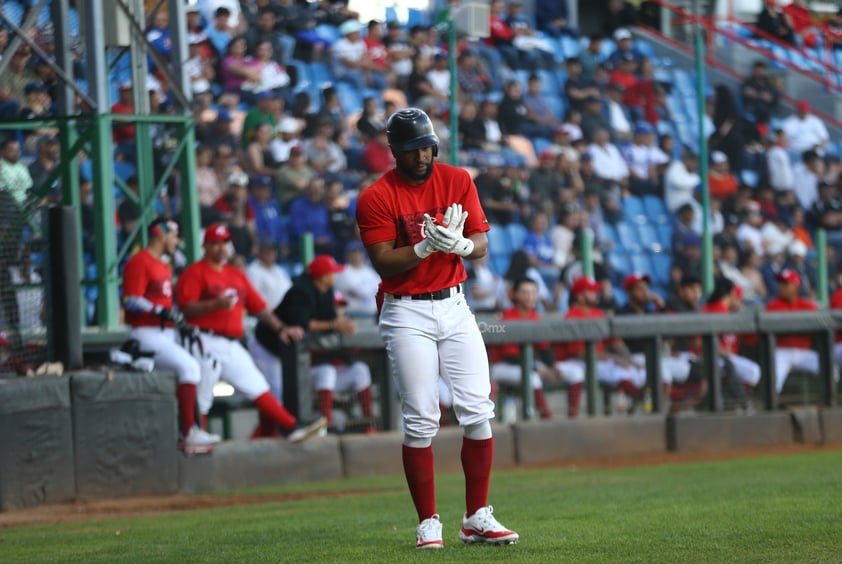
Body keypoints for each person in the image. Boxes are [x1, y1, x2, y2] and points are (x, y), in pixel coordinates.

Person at [355, 107, 519, 549]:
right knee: (422, 417)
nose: (422, 156)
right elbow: (384, 260)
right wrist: (425, 245)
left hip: (454, 302)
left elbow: (481, 243)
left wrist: (464, 245)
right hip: (405, 310)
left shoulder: (457, 179)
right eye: (412, 150)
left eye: (427, 147)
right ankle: (428, 521)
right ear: (395, 152)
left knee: (478, 409)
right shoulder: (376, 196)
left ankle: (477, 516)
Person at [175, 223, 326, 442]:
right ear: (205, 246)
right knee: (203, 395)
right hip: (204, 339)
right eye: (215, 243)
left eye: (224, 242)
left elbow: (259, 307)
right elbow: (186, 307)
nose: (220, 248)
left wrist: (281, 328)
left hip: (232, 343)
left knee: (258, 386)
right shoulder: (194, 272)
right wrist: (214, 304)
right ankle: (195, 436)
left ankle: (291, 429)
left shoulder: (235, 274)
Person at [120, 218, 221, 451]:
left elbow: (163, 303)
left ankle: (188, 430)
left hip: (165, 333)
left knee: (200, 366)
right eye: (173, 236)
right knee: (190, 368)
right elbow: (131, 300)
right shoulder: (140, 261)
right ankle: (188, 432)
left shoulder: (162, 265)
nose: (176, 241)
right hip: (145, 332)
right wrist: (161, 311)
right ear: (160, 234)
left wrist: (177, 319)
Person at [268, 254, 376, 433]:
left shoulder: (326, 293)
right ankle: (323, 426)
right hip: (276, 351)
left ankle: (368, 425)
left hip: (315, 370)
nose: (335, 276)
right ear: (322, 276)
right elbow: (303, 325)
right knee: (277, 397)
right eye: (332, 273)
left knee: (359, 370)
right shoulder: (301, 292)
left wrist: (339, 324)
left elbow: (332, 323)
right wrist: (335, 324)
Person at [490, 278, 585, 419]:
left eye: (533, 292)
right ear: (515, 295)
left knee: (576, 372)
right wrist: (538, 369)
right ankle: (547, 418)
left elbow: (544, 350)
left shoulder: (535, 316)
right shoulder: (507, 317)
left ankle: (572, 417)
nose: (530, 297)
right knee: (533, 378)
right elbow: (511, 357)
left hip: (526, 364)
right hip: (501, 366)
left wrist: (552, 367)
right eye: (525, 293)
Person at [556, 276, 647, 411]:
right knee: (617, 372)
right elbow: (581, 353)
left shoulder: (598, 313)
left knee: (639, 371)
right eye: (591, 291)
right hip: (576, 361)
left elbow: (615, 342)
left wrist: (630, 359)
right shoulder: (572, 316)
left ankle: (639, 405)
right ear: (580, 296)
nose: (596, 294)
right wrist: (614, 358)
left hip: (598, 360)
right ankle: (641, 398)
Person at [764, 269, 827, 394]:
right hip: (781, 351)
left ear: (796, 286)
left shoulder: (808, 306)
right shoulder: (772, 306)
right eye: (780, 283)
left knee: (831, 371)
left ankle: (825, 403)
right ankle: (772, 408)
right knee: (774, 379)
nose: (781, 287)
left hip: (804, 353)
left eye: (786, 284)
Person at [334, 240, 381, 319]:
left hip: (373, 314)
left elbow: (381, 287)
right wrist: (373, 290)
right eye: (353, 253)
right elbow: (361, 293)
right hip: (352, 314)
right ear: (346, 255)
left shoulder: (369, 271)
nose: (356, 255)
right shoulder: (344, 271)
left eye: (359, 252)